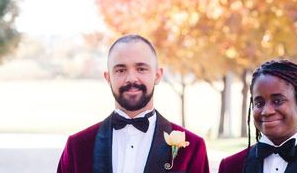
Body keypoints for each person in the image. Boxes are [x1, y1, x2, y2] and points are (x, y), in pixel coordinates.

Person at [57, 34, 210, 173]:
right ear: (108, 77)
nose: (131, 78)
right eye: (121, 70)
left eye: (141, 69)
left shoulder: (193, 149)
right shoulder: (77, 147)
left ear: (157, 75)